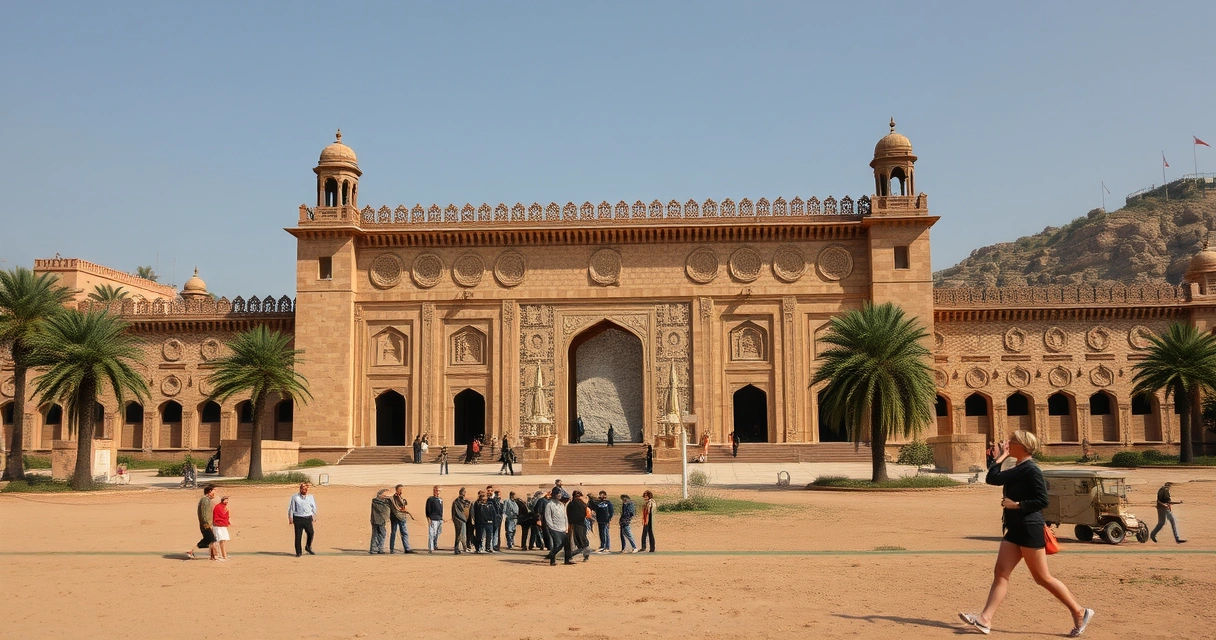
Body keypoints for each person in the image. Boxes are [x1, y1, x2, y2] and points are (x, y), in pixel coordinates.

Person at [959, 431, 1093, 637]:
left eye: (1011, 442)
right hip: (1015, 529)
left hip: (1030, 527)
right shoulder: (1018, 467)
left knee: (1042, 578)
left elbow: (1043, 500)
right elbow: (992, 478)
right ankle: (985, 619)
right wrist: (1002, 456)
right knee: (1001, 574)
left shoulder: (1031, 469)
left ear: (1021, 445)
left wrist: (1017, 504)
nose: (1007, 443)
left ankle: (1080, 611)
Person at [186, 484, 217, 560]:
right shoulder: (204, 500)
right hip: (206, 525)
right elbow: (204, 514)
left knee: (211, 540)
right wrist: (207, 524)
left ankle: (213, 556)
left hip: (208, 524)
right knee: (210, 539)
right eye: (214, 491)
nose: (215, 494)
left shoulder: (207, 500)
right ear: (209, 492)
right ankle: (192, 551)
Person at [288, 482, 318, 557]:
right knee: (298, 536)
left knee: (311, 533)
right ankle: (298, 552)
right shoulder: (295, 497)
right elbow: (291, 508)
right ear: (300, 489)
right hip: (298, 518)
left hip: (307, 518)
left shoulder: (310, 497)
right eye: (303, 489)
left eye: (306, 489)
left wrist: (314, 516)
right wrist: (290, 517)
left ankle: (308, 547)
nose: (305, 490)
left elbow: (313, 507)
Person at [542, 487, 569, 566]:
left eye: (560, 494)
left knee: (567, 545)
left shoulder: (561, 505)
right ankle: (552, 558)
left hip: (563, 528)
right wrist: (552, 527)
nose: (559, 495)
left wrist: (566, 527)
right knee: (558, 545)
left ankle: (567, 560)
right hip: (554, 528)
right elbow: (548, 517)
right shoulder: (549, 505)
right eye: (558, 494)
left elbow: (565, 516)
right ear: (554, 495)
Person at [566, 490, 593, 563]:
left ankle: (570, 555)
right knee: (583, 540)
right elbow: (588, 514)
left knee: (579, 542)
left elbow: (568, 515)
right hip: (582, 524)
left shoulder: (571, 504)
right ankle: (586, 555)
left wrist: (569, 523)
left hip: (575, 525)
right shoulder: (583, 504)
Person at [390, 484, 416, 553]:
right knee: (394, 533)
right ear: (396, 490)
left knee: (404, 533)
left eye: (401, 489)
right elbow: (396, 507)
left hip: (402, 517)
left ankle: (407, 548)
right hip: (395, 517)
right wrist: (403, 510)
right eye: (400, 489)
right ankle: (392, 549)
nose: (401, 491)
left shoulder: (401, 497)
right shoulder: (393, 498)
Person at [370, 488, 392, 554]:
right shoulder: (376, 502)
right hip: (377, 520)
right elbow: (382, 510)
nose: (385, 496)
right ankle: (375, 548)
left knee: (381, 534)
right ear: (380, 495)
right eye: (384, 494)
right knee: (377, 534)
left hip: (381, 520)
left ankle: (379, 548)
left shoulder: (382, 502)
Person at [451, 487, 471, 554]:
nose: (464, 494)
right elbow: (458, 511)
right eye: (463, 493)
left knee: (461, 535)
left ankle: (461, 548)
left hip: (462, 520)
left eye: (464, 493)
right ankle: (458, 548)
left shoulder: (462, 501)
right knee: (459, 535)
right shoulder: (457, 502)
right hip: (459, 520)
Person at [425, 485, 444, 554]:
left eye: (439, 491)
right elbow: (427, 509)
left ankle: (435, 544)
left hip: (439, 519)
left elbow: (441, 509)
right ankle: (431, 548)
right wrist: (428, 518)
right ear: (434, 491)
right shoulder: (430, 499)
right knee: (431, 533)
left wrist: (442, 518)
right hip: (433, 519)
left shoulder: (440, 499)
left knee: (438, 533)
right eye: (436, 490)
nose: (437, 492)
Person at [212, 495, 232, 561]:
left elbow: (226, 515)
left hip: (223, 525)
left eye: (227, 500)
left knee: (224, 540)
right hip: (218, 526)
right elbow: (219, 516)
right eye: (226, 500)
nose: (227, 501)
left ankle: (223, 555)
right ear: (222, 500)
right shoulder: (218, 507)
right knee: (220, 540)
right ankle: (219, 555)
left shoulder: (224, 507)